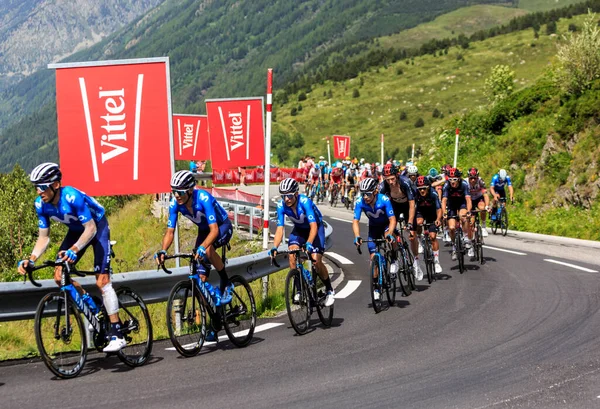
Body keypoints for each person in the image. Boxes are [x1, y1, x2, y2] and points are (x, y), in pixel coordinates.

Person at [17, 163, 126, 352]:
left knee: (102, 281)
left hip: (97, 228)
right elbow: (44, 237)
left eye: (42, 186)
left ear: (56, 185)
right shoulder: (40, 204)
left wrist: (74, 249)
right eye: (35, 186)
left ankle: (117, 333)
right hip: (76, 231)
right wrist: (31, 259)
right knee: (59, 276)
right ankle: (95, 309)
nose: (38, 191)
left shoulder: (71, 196)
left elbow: (90, 228)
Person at [155, 170, 234, 338]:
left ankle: (226, 282)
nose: (176, 195)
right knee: (201, 282)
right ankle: (214, 322)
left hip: (222, 227)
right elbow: (170, 232)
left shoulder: (203, 198)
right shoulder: (174, 203)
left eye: (180, 191)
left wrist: (203, 246)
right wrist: (163, 250)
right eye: (173, 191)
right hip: (204, 230)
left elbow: (214, 231)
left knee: (206, 249)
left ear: (190, 190)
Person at [269, 178, 334, 307]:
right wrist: (274, 247)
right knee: (292, 254)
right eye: (283, 196)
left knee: (316, 260)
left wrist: (309, 243)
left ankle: (329, 289)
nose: (286, 199)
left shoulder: (305, 202)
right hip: (299, 230)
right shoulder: (281, 205)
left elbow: (314, 227)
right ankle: (299, 290)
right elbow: (280, 229)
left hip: (315, 229)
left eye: (289, 195)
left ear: (296, 194)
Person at [352, 178, 399, 301]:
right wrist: (357, 236)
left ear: (375, 192)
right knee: (373, 258)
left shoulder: (384, 199)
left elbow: (393, 219)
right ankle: (376, 288)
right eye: (363, 194)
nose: (365, 197)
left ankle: (394, 259)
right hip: (373, 228)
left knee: (390, 237)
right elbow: (355, 221)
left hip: (386, 225)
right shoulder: (359, 202)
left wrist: (389, 233)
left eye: (368, 194)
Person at [378, 163, 420, 280]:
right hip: (394, 206)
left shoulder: (405, 182)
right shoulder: (383, 187)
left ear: (397, 175)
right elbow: (380, 205)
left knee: (412, 235)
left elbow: (412, 205)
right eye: (387, 179)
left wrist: (410, 222)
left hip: (407, 206)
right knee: (389, 233)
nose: (390, 182)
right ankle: (394, 258)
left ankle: (416, 260)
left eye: (392, 179)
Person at [441, 168, 473, 260]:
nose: (452, 182)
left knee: (463, 217)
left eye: (454, 179)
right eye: (450, 179)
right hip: (451, 205)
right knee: (451, 228)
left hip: (462, 203)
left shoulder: (464, 184)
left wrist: (469, 211)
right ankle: (454, 246)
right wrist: (444, 212)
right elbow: (444, 201)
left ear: (458, 179)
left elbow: (468, 200)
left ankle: (466, 238)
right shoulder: (446, 185)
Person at [414, 176, 443, 273]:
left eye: (424, 188)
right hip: (421, 213)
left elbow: (439, 209)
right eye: (419, 189)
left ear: (428, 187)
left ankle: (437, 261)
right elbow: (411, 207)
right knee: (418, 223)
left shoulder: (433, 193)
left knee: (433, 237)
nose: (422, 191)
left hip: (432, 214)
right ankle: (419, 239)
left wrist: (438, 219)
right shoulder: (415, 194)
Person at [467, 167, 490, 237]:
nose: (473, 180)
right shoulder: (465, 183)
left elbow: (485, 195)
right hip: (469, 199)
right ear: (468, 177)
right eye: (471, 178)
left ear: (477, 177)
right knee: (471, 220)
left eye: (475, 178)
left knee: (482, 208)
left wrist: (487, 206)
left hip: (478, 198)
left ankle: (483, 227)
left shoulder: (480, 181)